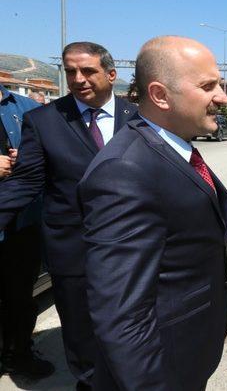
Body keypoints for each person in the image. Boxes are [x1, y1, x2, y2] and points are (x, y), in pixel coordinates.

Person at [77, 36, 227, 390]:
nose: (221, 96)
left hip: (188, 352)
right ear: (161, 95)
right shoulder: (124, 171)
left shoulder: (171, 145)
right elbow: (121, 314)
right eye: (208, 86)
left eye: (219, 84)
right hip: (162, 366)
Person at [0, 42, 137, 389]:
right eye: (70, 71)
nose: (78, 79)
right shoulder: (43, 120)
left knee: (130, 324)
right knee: (79, 330)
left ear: (110, 73)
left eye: (88, 70)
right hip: (71, 250)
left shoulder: (139, 119)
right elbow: (25, 183)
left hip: (132, 246)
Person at [0, 84, 54, 379]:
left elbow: (54, 159)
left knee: (20, 298)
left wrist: (31, 156)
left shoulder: (29, 109)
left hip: (23, 223)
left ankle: (18, 355)